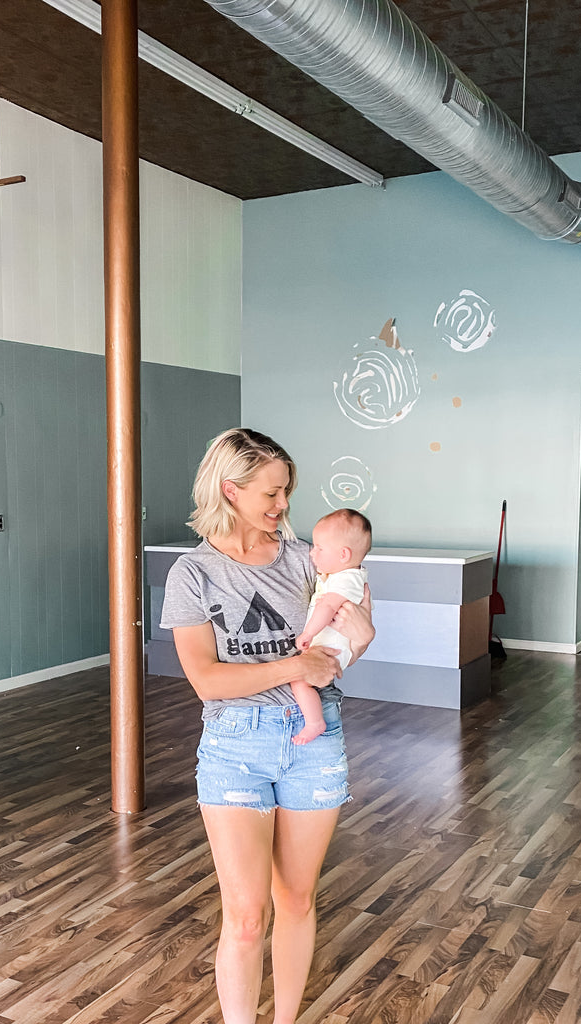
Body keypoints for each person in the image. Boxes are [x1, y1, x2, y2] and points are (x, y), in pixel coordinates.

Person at [160, 427, 375, 1024]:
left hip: (315, 738)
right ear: (230, 489)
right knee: (248, 914)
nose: (283, 506)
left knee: (298, 898)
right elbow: (206, 679)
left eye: (287, 493)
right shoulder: (192, 575)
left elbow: (343, 632)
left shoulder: (306, 561)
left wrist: (359, 635)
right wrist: (292, 665)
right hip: (235, 745)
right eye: (272, 494)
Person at [292, 509, 372, 744]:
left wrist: (308, 633)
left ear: (343, 554)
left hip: (331, 647)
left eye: (319, 548)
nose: (312, 552)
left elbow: (327, 607)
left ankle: (315, 722)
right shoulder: (344, 575)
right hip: (336, 645)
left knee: (298, 680)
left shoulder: (345, 579)